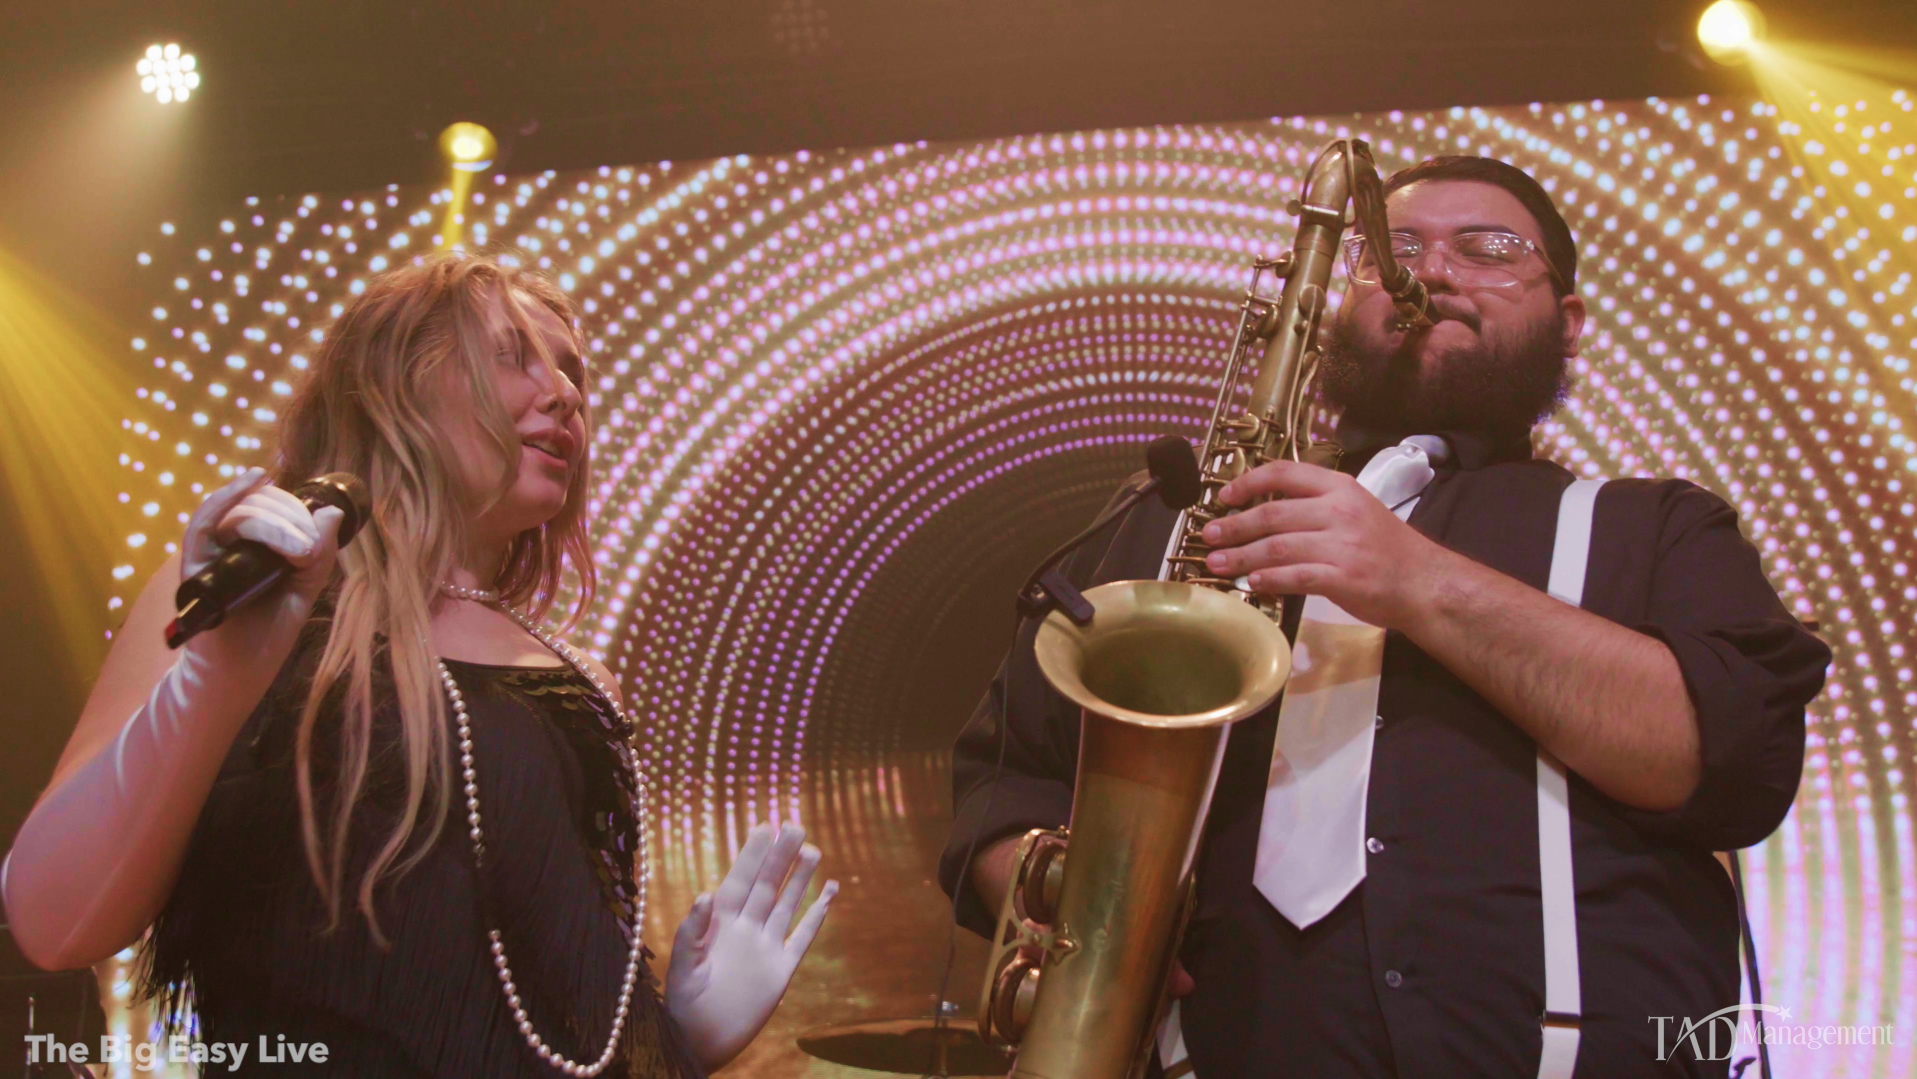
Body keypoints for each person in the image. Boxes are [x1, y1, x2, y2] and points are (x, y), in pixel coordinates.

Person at [941, 156, 1830, 1077]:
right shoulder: (1177, 523)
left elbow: (1728, 762)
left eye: (1487, 249)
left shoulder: (1654, 526)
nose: (1429, 273)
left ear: (1566, 324)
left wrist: (1414, 577)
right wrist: (1076, 913)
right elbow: (1006, 778)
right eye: (1389, 251)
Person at [2, 254, 837, 1076]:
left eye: (573, 373)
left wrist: (676, 1037)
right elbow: (53, 920)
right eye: (511, 356)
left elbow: (547, 1019)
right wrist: (216, 677)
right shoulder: (242, 594)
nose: (565, 393)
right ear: (390, 385)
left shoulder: (577, 684)